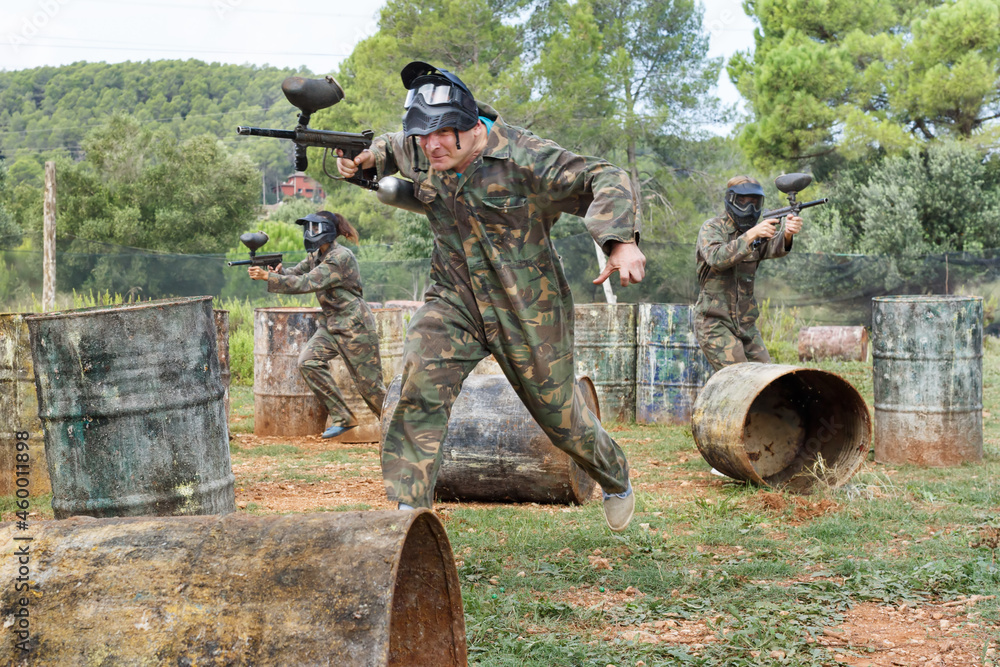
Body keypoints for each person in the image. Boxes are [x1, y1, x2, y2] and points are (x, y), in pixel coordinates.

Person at [337, 61, 646, 531]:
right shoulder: (421, 148)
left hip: (527, 307)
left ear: (471, 125)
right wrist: (363, 160)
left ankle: (614, 475)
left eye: (443, 133)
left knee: (561, 418)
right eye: (423, 135)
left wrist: (620, 240)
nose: (432, 144)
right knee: (418, 388)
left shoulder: (526, 157)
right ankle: (409, 517)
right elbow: (390, 146)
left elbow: (605, 177)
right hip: (454, 299)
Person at [248, 211, 386, 439]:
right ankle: (343, 416)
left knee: (370, 388)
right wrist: (277, 271)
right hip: (332, 325)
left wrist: (267, 277)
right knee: (308, 362)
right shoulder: (316, 256)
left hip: (355, 326)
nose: (309, 233)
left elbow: (306, 282)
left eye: (314, 228)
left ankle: (402, 428)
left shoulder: (340, 257)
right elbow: (294, 273)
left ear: (327, 230)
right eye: (308, 229)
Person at [693, 175, 803, 372]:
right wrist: (752, 234)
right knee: (740, 379)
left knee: (767, 379)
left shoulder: (756, 232)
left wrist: (787, 233)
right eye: (744, 202)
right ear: (732, 200)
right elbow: (717, 259)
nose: (750, 209)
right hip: (715, 323)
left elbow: (772, 249)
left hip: (746, 324)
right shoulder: (712, 228)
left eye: (755, 203)